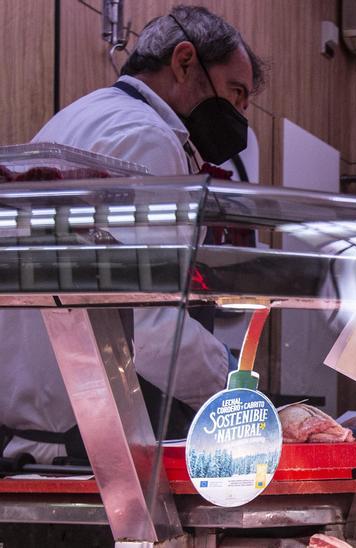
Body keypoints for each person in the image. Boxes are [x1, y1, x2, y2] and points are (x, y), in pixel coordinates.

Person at [0, 6, 264, 465]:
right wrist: (239, 392)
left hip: (30, 435)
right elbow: (149, 323)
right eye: (235, 93)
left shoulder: (84, 115)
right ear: (185, 62)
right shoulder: (149, 137)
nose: (239, 118)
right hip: (83, 449)